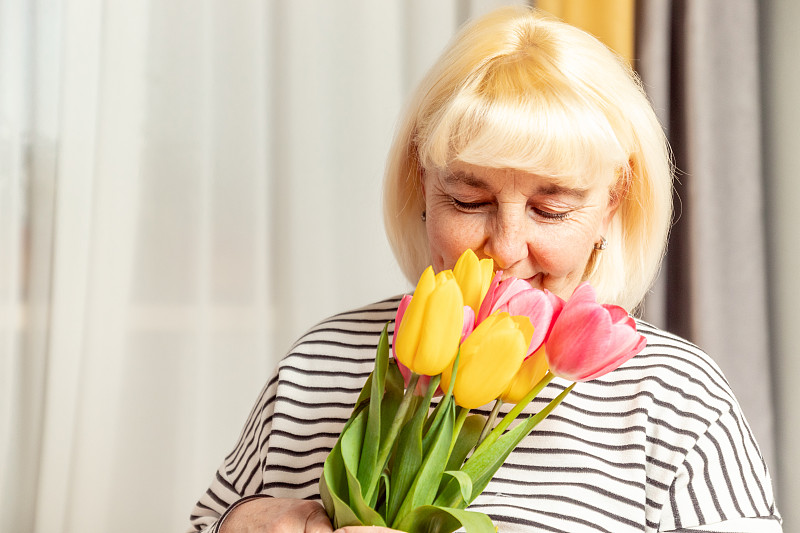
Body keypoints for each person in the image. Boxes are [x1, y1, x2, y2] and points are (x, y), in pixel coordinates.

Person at [188, 6, 781, 533]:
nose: (507, 247)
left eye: (552, 208)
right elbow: (206, 521)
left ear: (613, 205)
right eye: (468, 201)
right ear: (422, 186)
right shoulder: (317, 366)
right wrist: (242, 522)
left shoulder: (676, 400)